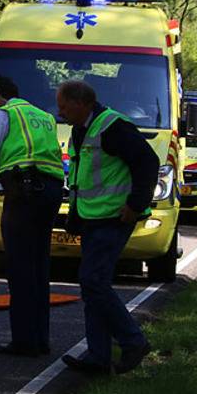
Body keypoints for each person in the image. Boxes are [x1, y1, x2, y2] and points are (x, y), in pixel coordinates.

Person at [57, 80, 157, 375]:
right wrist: (74, 217)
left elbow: (148, 162)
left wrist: (136, 204)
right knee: (92, 286)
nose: (59, 112)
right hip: (93, 217)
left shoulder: (113, 127)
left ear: (81, 103)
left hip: (115, 217)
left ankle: (132, 341)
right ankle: (98, 356)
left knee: (93, 281)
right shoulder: (81, 128)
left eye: (63, 106)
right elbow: (80, 175)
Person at [0, 76, 64, 357]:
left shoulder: (4, 115)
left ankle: (23, 341)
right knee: (40, 266)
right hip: (49, 191)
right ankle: (41, 338)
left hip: (24, 192)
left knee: (19, 267)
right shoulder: (44, 116)